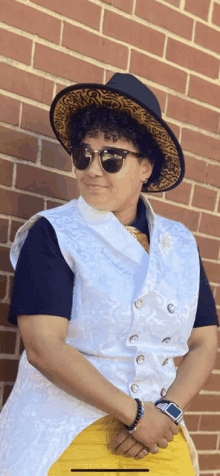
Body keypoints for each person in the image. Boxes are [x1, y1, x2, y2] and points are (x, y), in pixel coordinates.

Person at [0, 73, 219, 476]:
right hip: (65, 432)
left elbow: (204, 341)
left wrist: (167, 412)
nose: (93, 169)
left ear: (145, 168)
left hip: (157, 436)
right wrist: (137, 416)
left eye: (111, 158)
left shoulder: (181, 244)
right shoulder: (53, 233)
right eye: (83, 155)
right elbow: (44, 346)